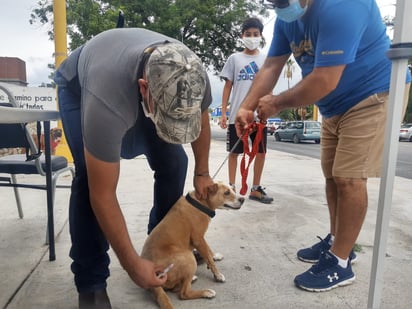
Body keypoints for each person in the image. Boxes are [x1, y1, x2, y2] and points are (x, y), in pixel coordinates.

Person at [236, 0, 411, 292]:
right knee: (332, 175)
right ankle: (337, 242)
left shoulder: (344, 5)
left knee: (349, 178)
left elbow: (326, 78)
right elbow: (270, 66)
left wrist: (277, 102)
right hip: (333, 104)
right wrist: (246, 106)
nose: (279, 5)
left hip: (375, 92)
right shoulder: (285, 19)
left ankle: (340, 263)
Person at [54, 28, 214, 308]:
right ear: (144, 89)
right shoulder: (107, 100)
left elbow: (201, 117)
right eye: (166, 118)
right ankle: (91, 282)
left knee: (176, 162)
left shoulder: (192, 72)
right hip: (79, 86)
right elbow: (102, 195)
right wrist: (131, 264)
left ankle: (162, 250)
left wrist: (202, 172)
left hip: (139, 78)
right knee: (87, 180)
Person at [219, 17, 274, 204]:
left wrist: (268, 107)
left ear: (260, 36)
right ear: (242, 36)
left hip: (258, 118)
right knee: (235, 153)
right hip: (237, 116)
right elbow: (228, 87)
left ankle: (256, 188)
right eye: (248, 34)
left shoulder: (265, 59)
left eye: (255, 34)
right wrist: (224, 113)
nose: (252, 37)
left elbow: (268, 86)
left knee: (260, 152)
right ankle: (231, 187)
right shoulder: (235, 59)